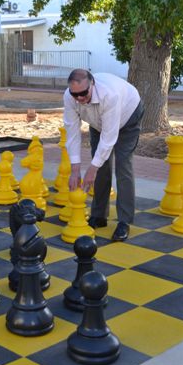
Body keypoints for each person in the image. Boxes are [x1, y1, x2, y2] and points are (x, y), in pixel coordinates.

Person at [63, 69, 144, 241]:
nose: (79, 98)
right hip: (98, 121)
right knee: (100, 165)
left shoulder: (110, 95)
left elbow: (109, 138)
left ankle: (124, 221)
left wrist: (92, 169)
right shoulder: (69, 97)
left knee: (123, 165)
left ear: (92, 84)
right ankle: (99, 215)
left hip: (128, 114)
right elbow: (72, 132)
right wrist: (75, 168)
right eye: (75, 94)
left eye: (83, 93)